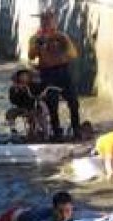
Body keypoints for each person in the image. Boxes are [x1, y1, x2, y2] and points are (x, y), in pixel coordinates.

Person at [28, 10, 80, 140]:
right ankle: (57, 132)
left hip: (63, 71)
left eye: (49, 20)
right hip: (47, 73)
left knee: (73, 101)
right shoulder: (35, 38)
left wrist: (62, 43)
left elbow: (73, 55)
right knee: (52, 101)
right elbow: (31, 56)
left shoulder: (62, 36)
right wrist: (38, 45)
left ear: (54, 22)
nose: (46, 23)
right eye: (43, 21)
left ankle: (76, 129)